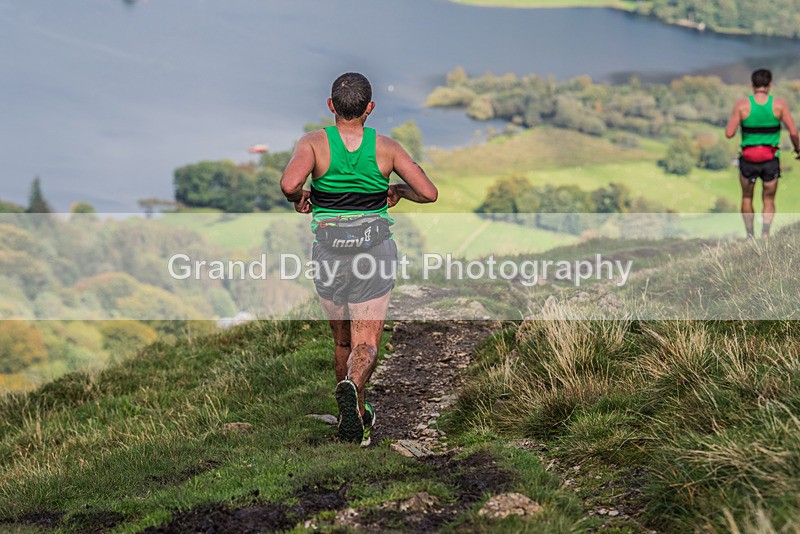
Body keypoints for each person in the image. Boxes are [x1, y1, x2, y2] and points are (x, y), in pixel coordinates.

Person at [280, 72, 438, 446]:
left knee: (342, 343)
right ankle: (353, 391)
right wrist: (397, 188)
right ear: (370, 109)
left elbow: (289, 185)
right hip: (374, 251)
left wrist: (301, 197)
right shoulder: (387, 147)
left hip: (330, 252)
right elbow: (428, 193)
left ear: (331, 105)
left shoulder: (314, 144)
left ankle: (351, 416)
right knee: (365, 342)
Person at [725, 68, 800, 238]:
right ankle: (765, 235)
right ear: (770, 85)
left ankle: (750, 236)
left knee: (746, 197)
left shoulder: (742, 105)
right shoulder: (780, 105)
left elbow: (729, 133)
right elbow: (794, 133)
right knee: (768, 200)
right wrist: (798, 149)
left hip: (748, 161)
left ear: (752, 85)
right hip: (770, 160)